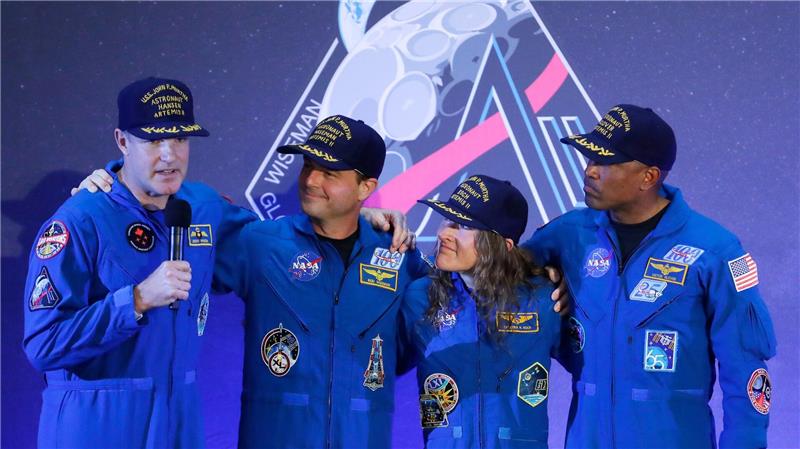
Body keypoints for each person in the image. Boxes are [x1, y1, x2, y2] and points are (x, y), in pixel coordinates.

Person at [525, 104, 776, 448]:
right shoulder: (568, 234)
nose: (590, 172)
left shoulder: (715, 250)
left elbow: (745, 373)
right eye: (590, 160)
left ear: (649, 177)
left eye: (606, 163)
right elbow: (498, 280)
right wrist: (543, 279)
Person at [22, 77, 255, 448]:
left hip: (179, 422)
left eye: (179, 139)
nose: (169, 155)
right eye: (153, 140)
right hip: (95, 424)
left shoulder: (206, 207)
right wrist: (136, 300)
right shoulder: (81, 219)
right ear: (122, 141)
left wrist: (366, 224)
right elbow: (43, 344)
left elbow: (279, 249)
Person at [209, 115, 433, 449]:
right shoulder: (260, 244)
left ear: (366, 188)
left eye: (329, 173)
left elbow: (431, 329)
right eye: (307, 166)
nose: (311, 180)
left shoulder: (401, 258)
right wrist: (114, 180)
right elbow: (180, 210)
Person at [401, 175, 562, 448]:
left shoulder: (545, 300)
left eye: (461, 226)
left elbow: (598, 370)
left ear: (502, 245)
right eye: (446, 221)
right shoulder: (419, 296)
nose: (443, 233)